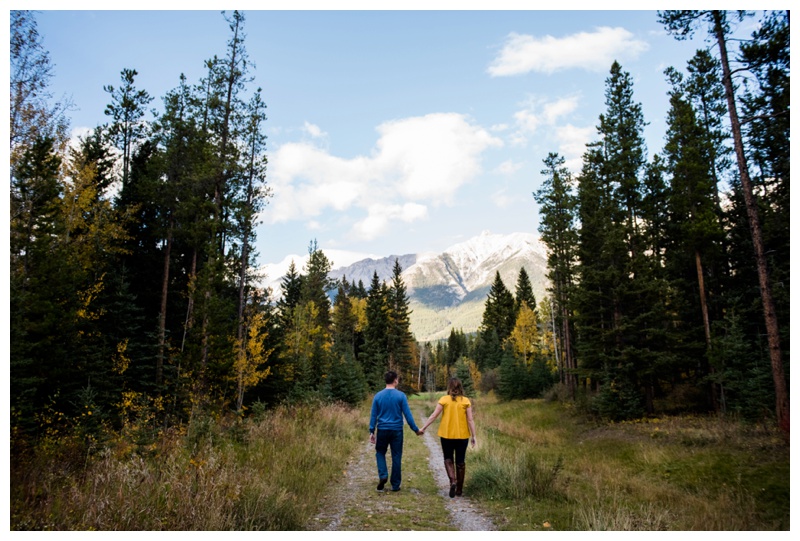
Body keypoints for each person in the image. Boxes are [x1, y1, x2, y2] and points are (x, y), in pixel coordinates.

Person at [419, 377, 476, 498]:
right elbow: (470, 420)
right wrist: (474, 435)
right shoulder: (466, 401)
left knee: (448, 459)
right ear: (460, 387)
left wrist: (423, 428)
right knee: (460, 462)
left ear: (449, 387)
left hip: (446, 435)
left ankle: (453, 481)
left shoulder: (444, 400)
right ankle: (459, 490)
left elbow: (434, 415)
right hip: (462, 436)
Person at [369, 370, 423, 492]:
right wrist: (416, 429)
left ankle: (383, 475)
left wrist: (371, 431)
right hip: (397, 430)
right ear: (395, 380)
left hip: (382, 429)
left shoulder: (378, 396)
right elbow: (408, 415)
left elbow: (373, 415)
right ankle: (395, 485)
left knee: (380, 452)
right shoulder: (401, 396)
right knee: (396, 456)